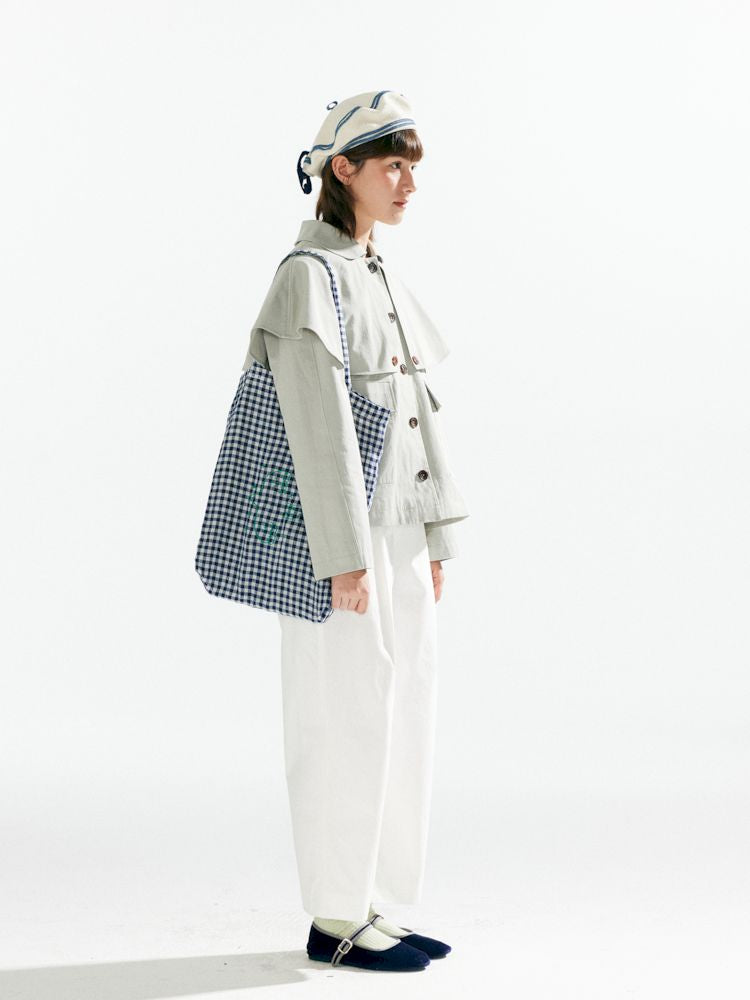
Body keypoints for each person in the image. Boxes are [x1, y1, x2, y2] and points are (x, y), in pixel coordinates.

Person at [241, 90, 469, 972]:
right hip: (342, 539)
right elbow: (319, 431)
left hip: (398, 530)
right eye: (392, 166)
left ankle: (372, 900)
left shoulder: (374, 269)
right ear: (344, 170)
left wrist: (436, 533)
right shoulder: (311, 276)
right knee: (343, 713)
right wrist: (342, 558)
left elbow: (417, 405)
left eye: (412, 166)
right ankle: (335, 919)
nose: (409, 182)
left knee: (403, 706)